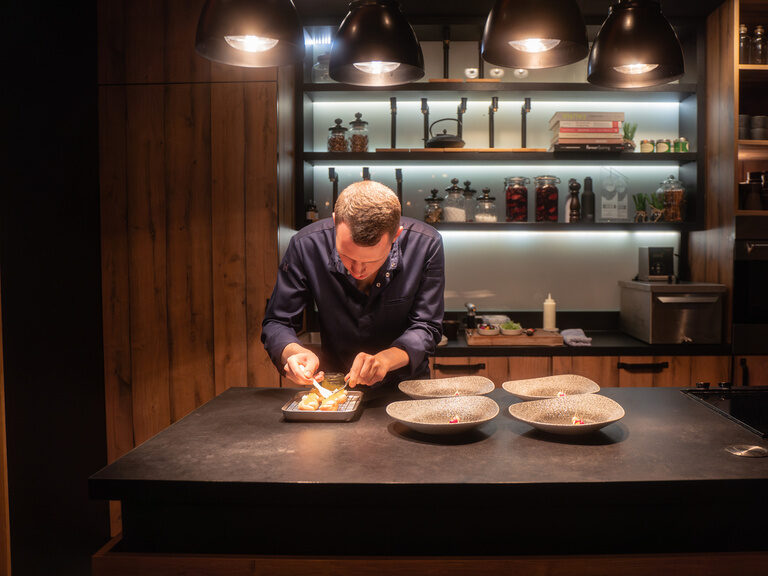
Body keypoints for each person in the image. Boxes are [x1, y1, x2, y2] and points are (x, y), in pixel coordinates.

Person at [261, 180, 445, 390]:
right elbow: (277, 321)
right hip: (334, 387)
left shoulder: (426, 244)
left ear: (396, 236)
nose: (358, 270)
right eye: (347, 257)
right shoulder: (306, 245)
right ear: (334, 223)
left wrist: (384, 360)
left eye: (371, 262)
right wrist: (293, 352)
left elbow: (427, 326)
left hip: (405, 388)